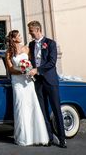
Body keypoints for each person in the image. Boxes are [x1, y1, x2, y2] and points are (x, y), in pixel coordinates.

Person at [5, 29, 50, 146]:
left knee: (32, 105)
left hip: (28, 81)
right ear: (14, 38)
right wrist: (21, 70)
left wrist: (28, 69)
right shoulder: (8, 52)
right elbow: (10, 69)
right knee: (20, 107)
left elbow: (32, 63)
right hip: (17, 82)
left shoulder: (26, 48)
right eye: (18, 35)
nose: (21, 36)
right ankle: (24, 137)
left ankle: (36, 136)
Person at [27, 20, 67, 148]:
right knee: (42, 110)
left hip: (50, 81)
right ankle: (48, 137)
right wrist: (28, 68)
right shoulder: (31, 44)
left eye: (31, 31)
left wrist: (37, 70)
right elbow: (31, 61)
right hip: (38, 82)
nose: (30, 33)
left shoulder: (50, 43)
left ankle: (62, 139)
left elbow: (52, 62)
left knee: (56, 109)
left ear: (38, 30)